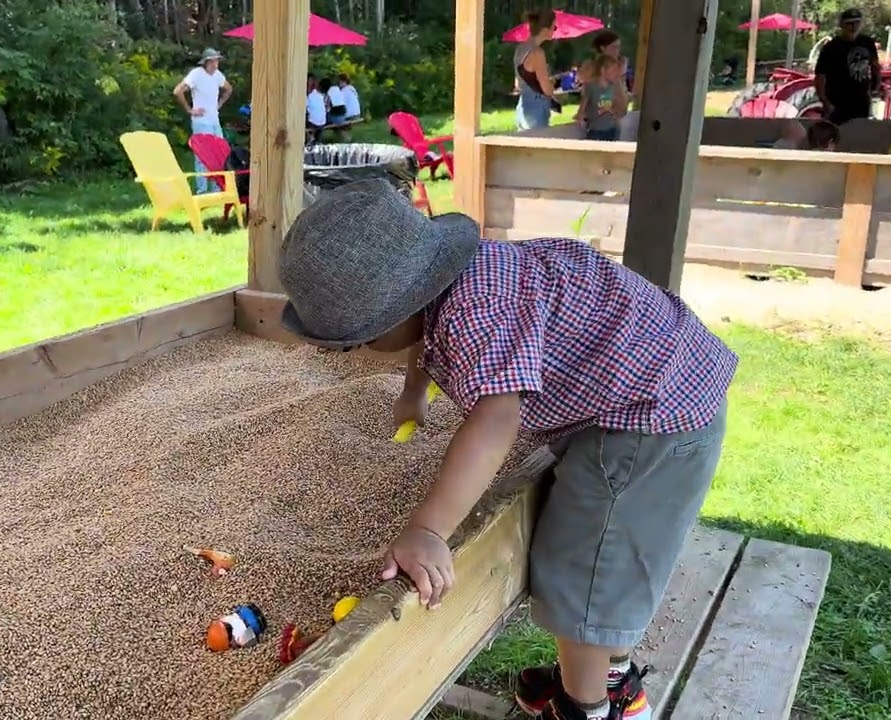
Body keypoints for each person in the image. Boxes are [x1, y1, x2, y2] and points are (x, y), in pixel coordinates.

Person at [276, 178, 736, 720]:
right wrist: (412, 392)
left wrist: (428, 530)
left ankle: (587, 706)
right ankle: (607, 676)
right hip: (654, 382)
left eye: (361, 339)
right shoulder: (453, 284)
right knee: (598, 560)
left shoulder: (479, 311)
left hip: (652, 416)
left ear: (401, 306)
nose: (360, 352)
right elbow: (422, 339)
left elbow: (497, 419)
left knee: (588, 567)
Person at [173, 48, 232, 194]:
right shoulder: (196, 74)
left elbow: (229, 88)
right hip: (201, 121)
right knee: (202, 155)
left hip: (214, 120)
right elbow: (177, 91)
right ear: (206, 62)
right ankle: (202, 190)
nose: (215, 64)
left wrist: (219, 104)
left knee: (219, 153)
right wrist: (189, 109)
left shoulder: (217, 75)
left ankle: (218, 189)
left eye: (217, 60)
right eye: (212, 61)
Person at [813, 9, 881, 126]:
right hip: (837, 102)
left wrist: (875, 89)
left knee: (858, 135)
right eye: (849, 23)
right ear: (842, 25)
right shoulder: (831, 47)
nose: (853, 27)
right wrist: (825, 102)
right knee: (834, 135)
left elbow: (875, 67)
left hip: (861, 101)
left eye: (857, 23)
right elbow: (820, 77)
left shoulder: (867, 43)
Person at [513, 9, 558, 130]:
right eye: (554, 27)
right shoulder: (537, 52)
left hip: (523, 107)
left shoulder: (520, 49)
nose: (555, 30)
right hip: (536, 109)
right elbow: (547, 90)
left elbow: (518, 83)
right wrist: (552, 84)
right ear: (545, 30)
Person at [578, 55, 628, 141]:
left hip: (613, 130)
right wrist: (581, 117)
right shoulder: (590, 86)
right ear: (603, 70)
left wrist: (610, 110)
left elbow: (620, 110)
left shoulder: (614, 87)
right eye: (613, 70)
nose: (616, 73)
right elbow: (582, 109)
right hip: (596, 131)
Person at [306, 74, 328, 143]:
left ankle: (310, 138)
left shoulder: (308, 96)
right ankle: (317, 141)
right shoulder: (320, 95)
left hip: (313, 123)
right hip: (322, 122)